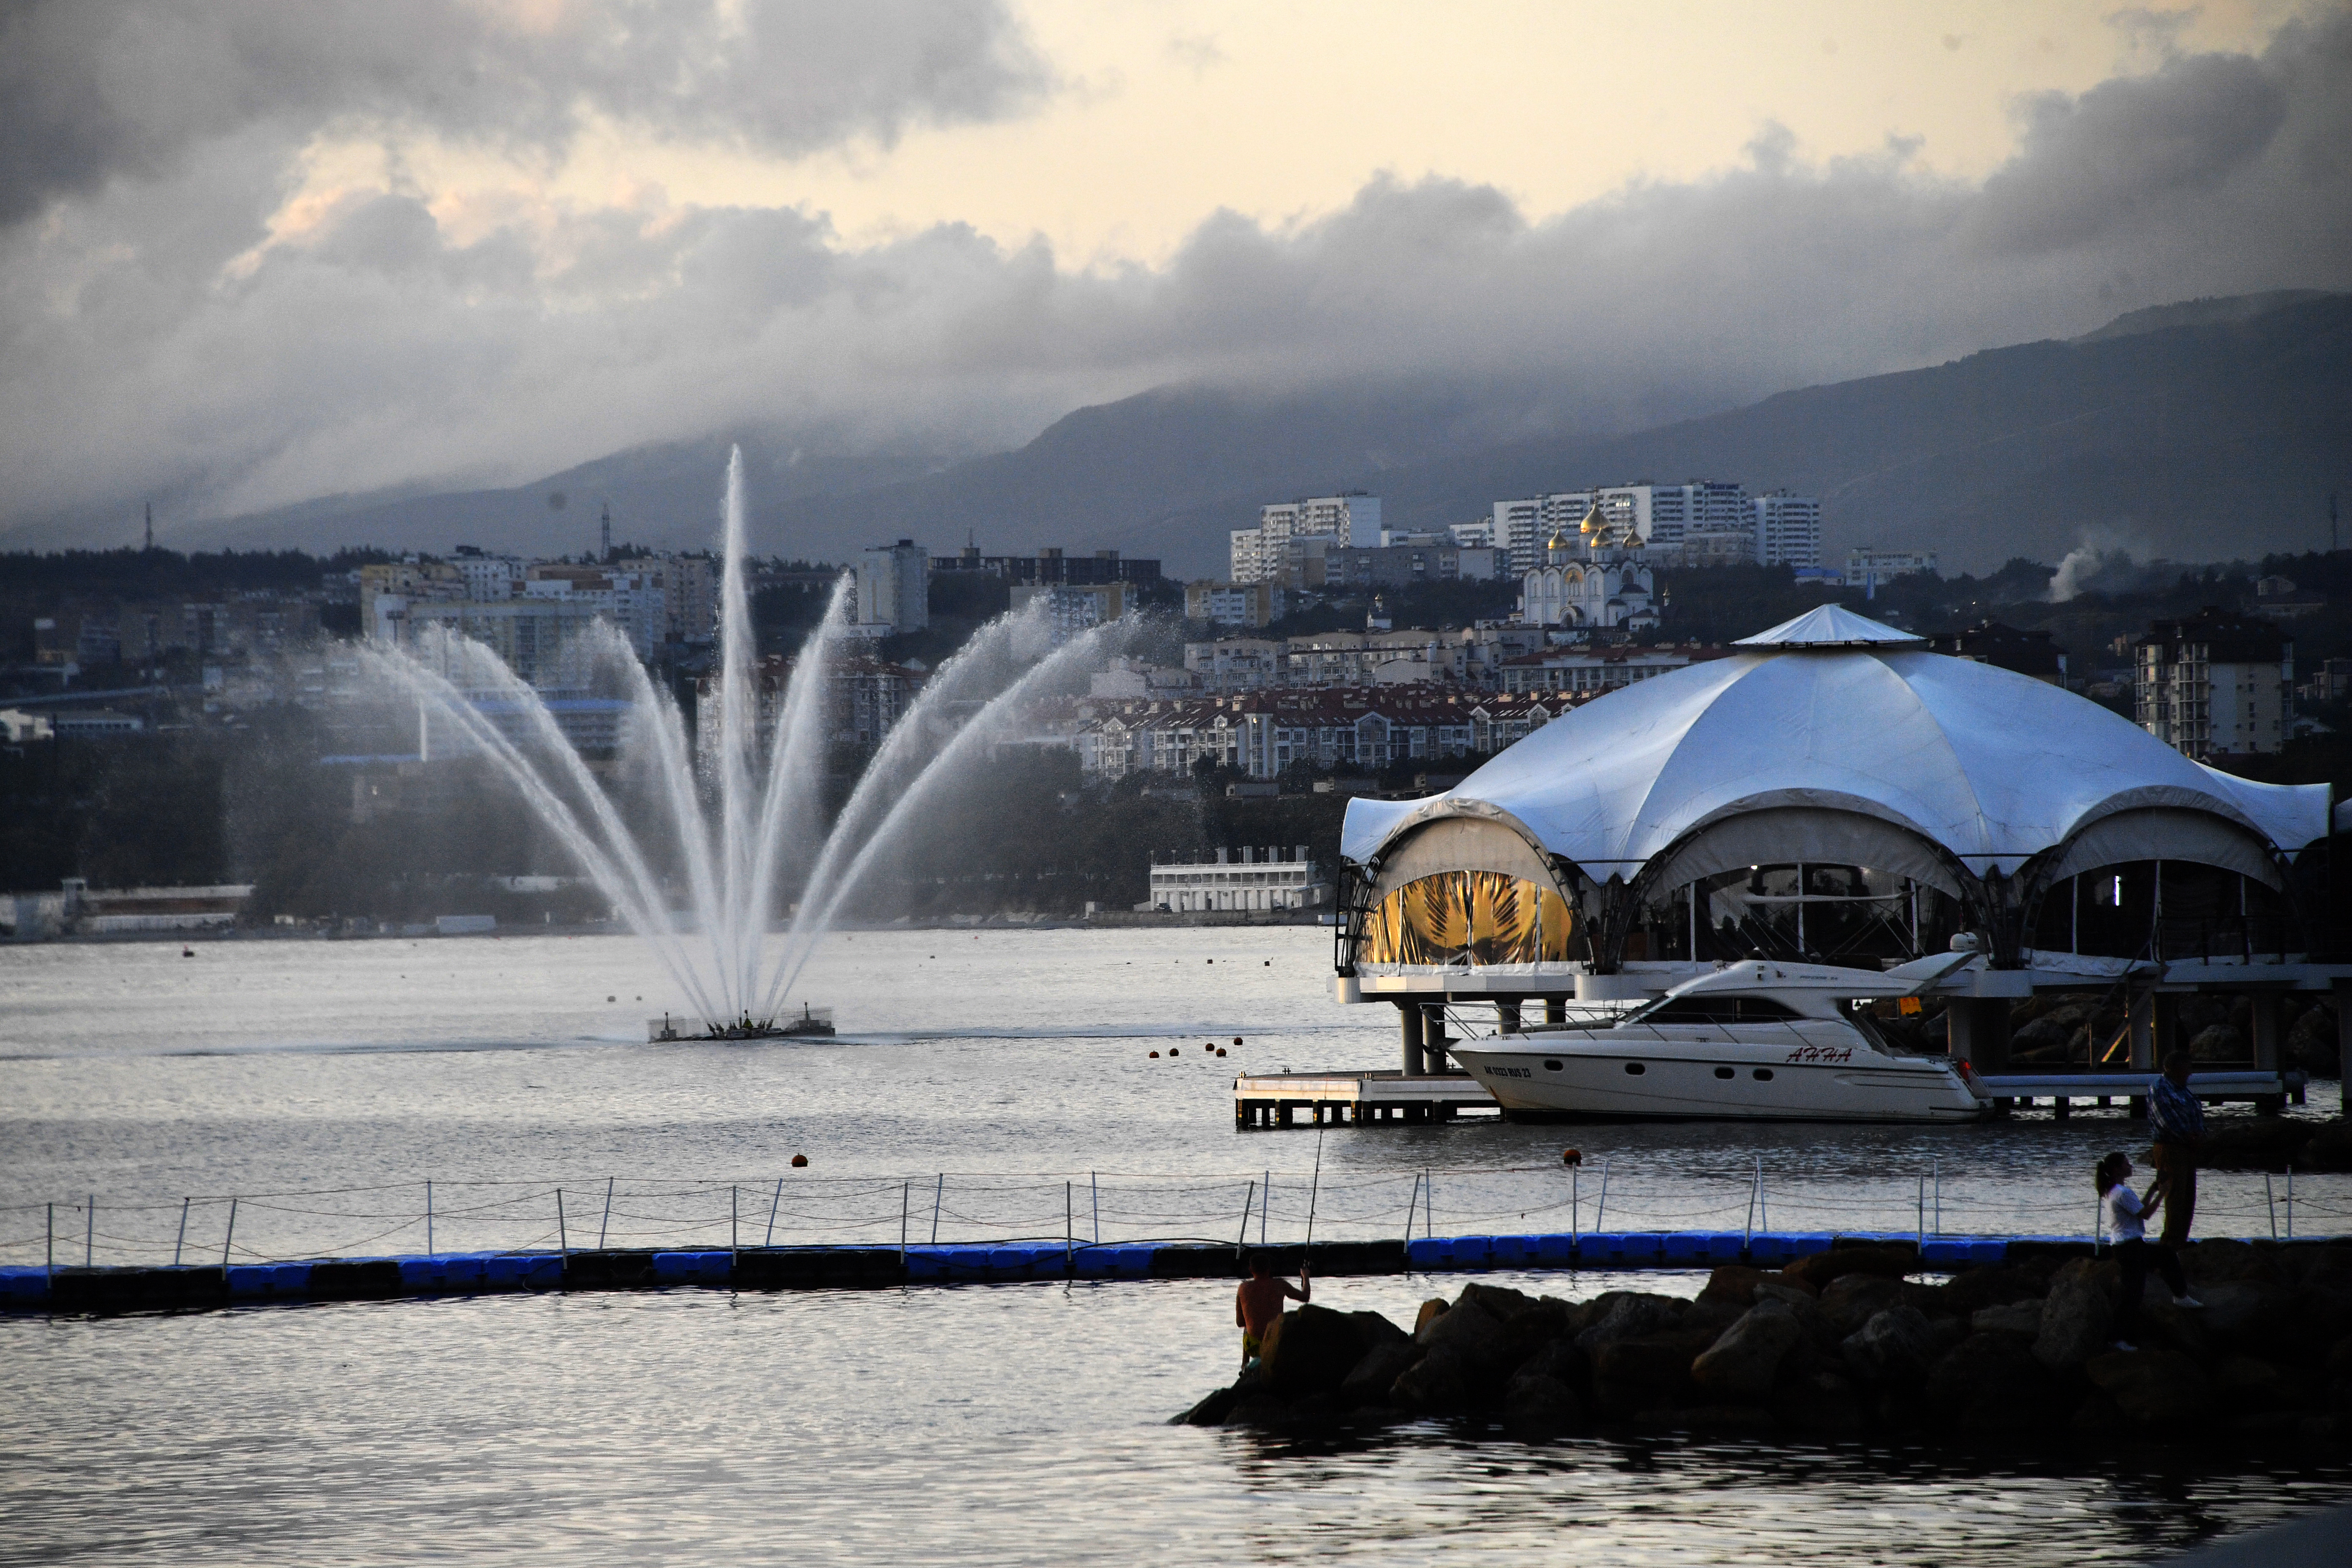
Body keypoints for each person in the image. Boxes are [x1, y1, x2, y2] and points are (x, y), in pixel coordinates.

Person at [2097, 1150, 2201, 1351]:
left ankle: (2180, 1297)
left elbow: (2138, 1209)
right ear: (2118, 1169)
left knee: (2160, 1262)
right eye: (2127, 1164)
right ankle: (2118, 1338)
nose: (2131, 1167)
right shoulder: (2122, 1193)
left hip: (2124, 1247)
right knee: (2136, 1291)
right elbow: (2145, 1214)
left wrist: (2153, 1190)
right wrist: (2163, 1194)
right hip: (2131, 1247)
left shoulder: (2113, 1191)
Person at [2148, 1048, 2205, 1245]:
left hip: (2187, 1148)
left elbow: (2196, 1114)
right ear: (2175, 1068)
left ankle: (2181, 1241)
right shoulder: (2161, 1088)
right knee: (2175, 1196)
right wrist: (2188, 1136)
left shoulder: (2183, 1089)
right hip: (2171, 1148)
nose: (2190, 1073)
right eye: (2187, 1068)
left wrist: (2200, 1134)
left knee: (2188, 1197)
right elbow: (2166, 1120)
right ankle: (2170, 1244)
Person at [1235, 1252, 1310, 1369]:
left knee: (1247, 1326)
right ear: (1269, 1269)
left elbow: (1240, 1323)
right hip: (1275, 1343)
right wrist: (1305, 1277)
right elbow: (1305, 1297)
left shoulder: (1243, 1288)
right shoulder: (1280, 1285)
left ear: (1251, 1270)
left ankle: (1245, 1365)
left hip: (1254, 1347)